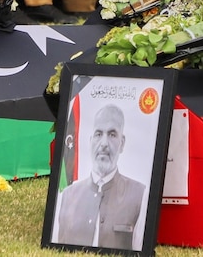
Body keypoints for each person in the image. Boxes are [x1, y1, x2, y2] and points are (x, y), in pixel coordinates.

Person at [54, 104, 148, 249]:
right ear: (90, 141)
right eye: (98, 134)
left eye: (112, 134)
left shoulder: (140, 196)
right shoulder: (66, 197)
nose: (104, 144)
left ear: (122, 143)